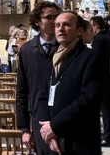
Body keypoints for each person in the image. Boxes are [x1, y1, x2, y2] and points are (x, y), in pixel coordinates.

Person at [38, 11, 102, 155]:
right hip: (54, 139)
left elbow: (89, 99)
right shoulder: (54, 58)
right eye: (57, 25)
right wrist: (48, 128)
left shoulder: (90, 57)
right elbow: (43, 93)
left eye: (67, 25)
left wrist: (55, 126)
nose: (60, 29)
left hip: (80, 140)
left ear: (80, 31)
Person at [17, 0, 61, 155]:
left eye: (56, 17)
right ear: (37, 21)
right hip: (39, 115)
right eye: (49, 17)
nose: (54, 21)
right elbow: (22, 90)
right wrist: (24, 129)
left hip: (62, 117)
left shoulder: (66, 47)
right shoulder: (27, 50)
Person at [91, 16, 110, 148]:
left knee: (106, 109)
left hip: (104, 79)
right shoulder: (108, 38)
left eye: (91, 26)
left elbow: (96, 60)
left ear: (96, 26)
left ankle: (109, 137)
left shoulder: (99, 40)